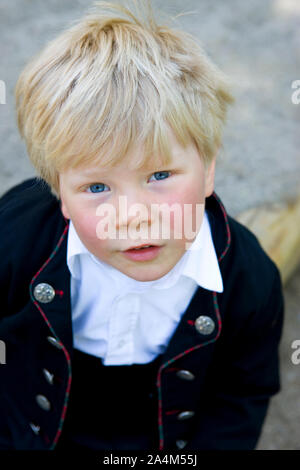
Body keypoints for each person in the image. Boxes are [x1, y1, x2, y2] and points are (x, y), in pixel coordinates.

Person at [0, 0, 284, 451]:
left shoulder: (248, 280)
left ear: (208, 169)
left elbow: (240, 395)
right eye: (96, 187)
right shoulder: (15, 240)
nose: (132, 216)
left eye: (159, 176)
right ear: (59, 193)